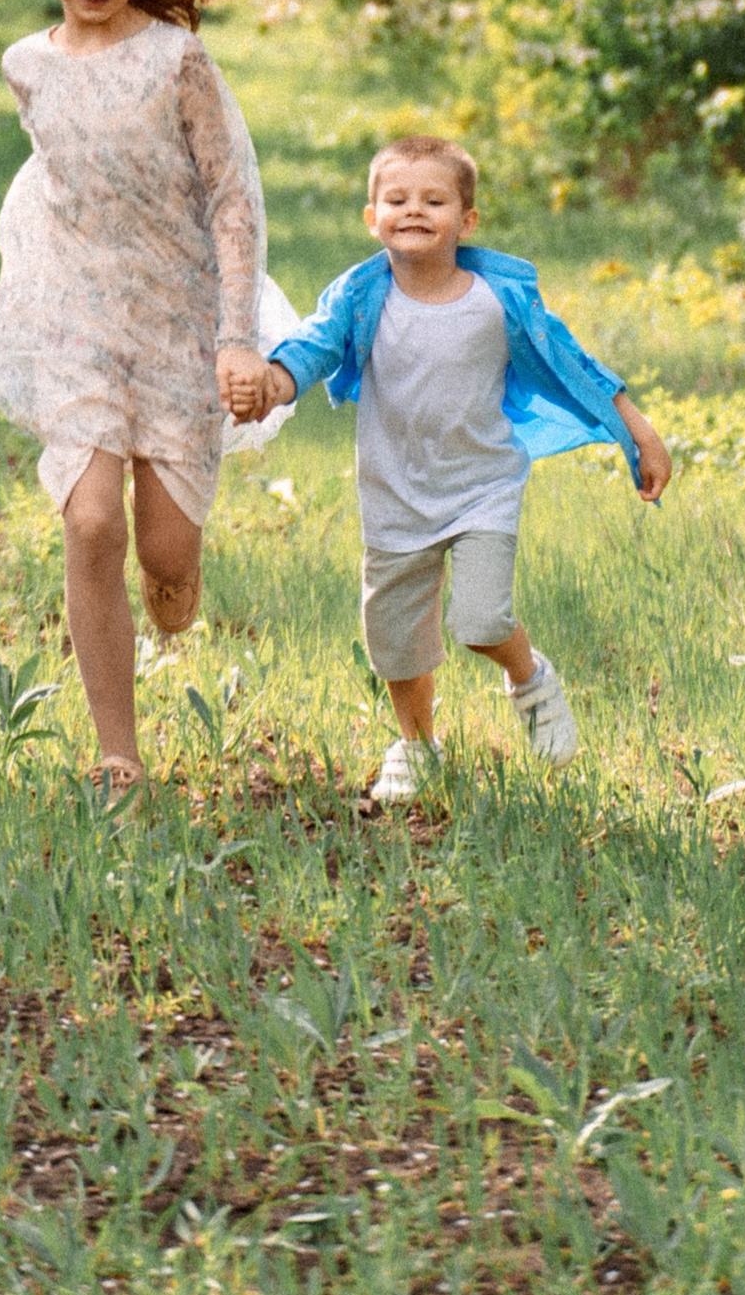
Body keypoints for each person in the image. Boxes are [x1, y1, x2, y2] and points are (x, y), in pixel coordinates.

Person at [0, 0, 307, 787]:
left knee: (167, 561)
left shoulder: (176, 59)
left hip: (180, 315)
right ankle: (118, 753)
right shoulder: (26, 64)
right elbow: (48, 191)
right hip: (75, 316)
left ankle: (174, 592)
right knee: (93, 523)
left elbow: (235, 199)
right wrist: (12, 291)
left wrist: (236, 336)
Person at [230, 131, 671, 800]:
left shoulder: (496, 299)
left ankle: (530, 682)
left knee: (481, 620)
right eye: (396, 199)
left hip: (482, 488)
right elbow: (312, 349)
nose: (413, 210)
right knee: (397, 643)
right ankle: (417, 745)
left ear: (465, 221)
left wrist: (639, 433)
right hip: (395, 496)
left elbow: (571, 365)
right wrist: (271, 382)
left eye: (433, 200)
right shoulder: (360, 295)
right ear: (371, 217)